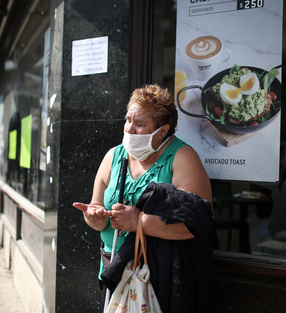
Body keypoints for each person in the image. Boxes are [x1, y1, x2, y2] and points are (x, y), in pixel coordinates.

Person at [73, 84, 214, 312]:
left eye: (139, 124)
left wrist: (139, 221)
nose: (129, 129)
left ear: (162, 130)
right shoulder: (113, 156)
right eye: (128, 120)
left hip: (158, 277)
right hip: (115, 269)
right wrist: (95, 216)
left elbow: (197, 224)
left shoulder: (182, 157)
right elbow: (97, 207)